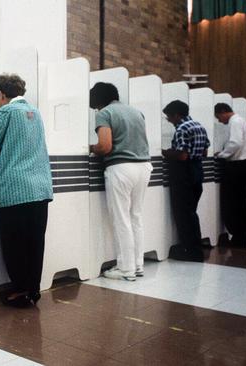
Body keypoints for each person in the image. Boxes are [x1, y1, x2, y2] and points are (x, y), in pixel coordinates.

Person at [0, 74, 53, 308]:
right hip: (40, 187)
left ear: (1, 94)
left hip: (16, 189)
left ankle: (20, 290)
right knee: (34, 243)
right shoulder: (35, 112)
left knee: (15, 244)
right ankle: (32, 289)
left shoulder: (6, 113)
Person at [90, 82, 152, 281]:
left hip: (121, 168)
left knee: (121, 219)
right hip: (144, 167)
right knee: (136, 217)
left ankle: (126, 268)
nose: (95, 109)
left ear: (99, 99)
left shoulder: (105, 113)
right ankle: (138, 265)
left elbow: (105, 146)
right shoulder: (136, 112)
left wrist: (91, 147)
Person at [162, 100, 210, 262]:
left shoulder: (182, 128)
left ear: (177, 114)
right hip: (197, 171)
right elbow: (204, 152)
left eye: (169, 116)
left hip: (184, 173)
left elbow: (182, 156)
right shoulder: (199, 126)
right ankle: (195, 248)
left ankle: (190, 251)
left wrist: (166, 153)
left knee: (183, 214)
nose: (168, 120)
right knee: (191, 212)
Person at [214, 103, 246, 247]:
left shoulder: (234, 122)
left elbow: (235, 143)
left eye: (218, 117)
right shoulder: (243, 121)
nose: (219, 121)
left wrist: (222, 155)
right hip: (245, 166)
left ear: (223, 112)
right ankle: (241, 237)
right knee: (241, 203)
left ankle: (237, 237)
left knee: (233, 203)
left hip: (236, 167)